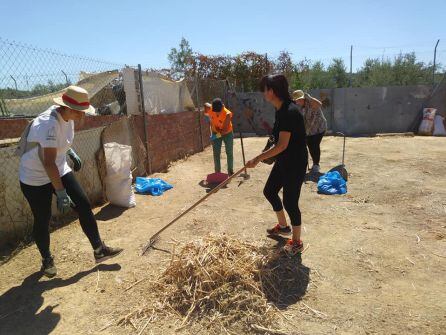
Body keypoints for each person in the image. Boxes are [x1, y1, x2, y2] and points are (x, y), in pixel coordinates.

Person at [19, 86, 123, 278]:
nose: (83, 115)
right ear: (69, 108)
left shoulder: (68, 117)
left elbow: (58, 144)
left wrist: (68, 151)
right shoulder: (47, 123)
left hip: (58, 167)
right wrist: (60, 192)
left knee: (83, 204)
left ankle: (99, 250)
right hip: (35, 177)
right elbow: (47, 162)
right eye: (80, 112)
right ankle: (46, 258)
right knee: (43, 218)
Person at [246, 75, 308, 255]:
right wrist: (266, 154)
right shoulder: (280, 110)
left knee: (290, 202)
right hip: (284, 160)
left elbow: (282, 145)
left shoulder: (290, 111)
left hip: (295, 163)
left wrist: (257, 158)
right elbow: (277, 143)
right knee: (269, 191)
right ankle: (283, 226)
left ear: (272, 91)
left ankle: (296, 242)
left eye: (265, 89)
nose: (263, 92)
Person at [292, 90, 327, 174]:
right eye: (296, 100)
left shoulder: (311, 102)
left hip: (319, 128)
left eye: (300, 99)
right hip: (308, 130)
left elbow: (319, 104)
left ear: (304, 98)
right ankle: (314, 164)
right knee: (310, 146)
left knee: (314, 145)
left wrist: (309, 97)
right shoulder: (298, 106)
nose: (298, 101)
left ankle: (316, 165)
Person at [204, 98, 234, 175]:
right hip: (215, 132)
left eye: (218, 111)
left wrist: (214, 137)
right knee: (216, 153)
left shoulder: (227, 114)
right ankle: (217, 172)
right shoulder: (211, 108)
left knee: (229, 152)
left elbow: (223, 131)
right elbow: (205, 104)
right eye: (215, 111)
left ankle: (230, 171)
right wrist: (206, 116)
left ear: (222, 106)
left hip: (227, 133)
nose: (217, 113)